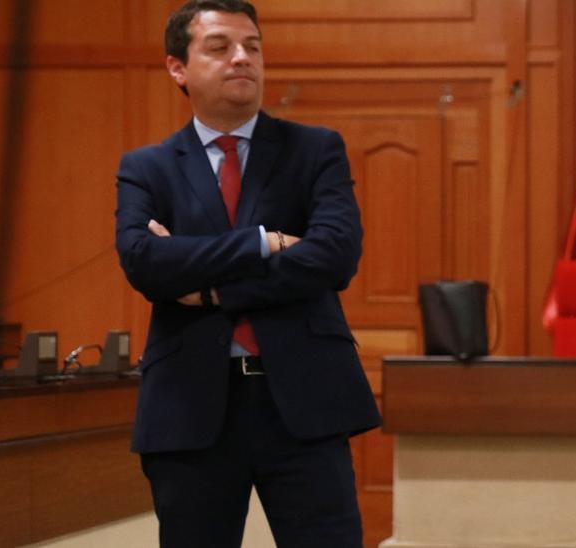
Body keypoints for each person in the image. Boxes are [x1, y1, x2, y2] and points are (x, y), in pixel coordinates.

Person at [114, 1, 379, 545]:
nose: (242, 58)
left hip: (305, 402)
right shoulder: (147, 167)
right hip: (190, 408)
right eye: (220, 47)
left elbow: (335, 255)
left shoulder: (315, 150)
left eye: (252, 47)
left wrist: (208, 286)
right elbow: (145, 262)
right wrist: (266, 242)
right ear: (177, 68)